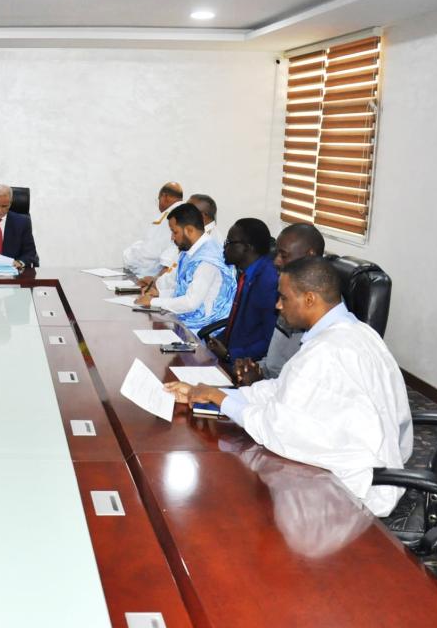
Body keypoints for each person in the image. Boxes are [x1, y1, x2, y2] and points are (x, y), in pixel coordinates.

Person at [164, 256, 413, 517]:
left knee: (244, 497)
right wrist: (212, 393)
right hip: (370, 461)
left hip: (352, 492)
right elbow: (281, 390)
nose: (278, 305)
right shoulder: (357, 332)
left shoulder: (327, 352)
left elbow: (278, 429)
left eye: (284, 297)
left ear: (309, 299)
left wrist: (219, 398)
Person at [234, 223, 325, 385]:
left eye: (283, 255)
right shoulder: (289, 298)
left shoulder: (318, 312)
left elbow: (296, 384)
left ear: (309, 255)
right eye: (276, 254)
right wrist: (253, 369)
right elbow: (273, 363)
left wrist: (260, 381)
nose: (276, 261)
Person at [135, 203, 236, 331]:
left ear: (189, 230)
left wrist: (152, 302)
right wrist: (160, 293)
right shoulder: (191, 251)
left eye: (175, 232)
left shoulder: (208, 259)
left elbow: (191, 302)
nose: (172, 238)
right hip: (188, 318)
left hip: (203, 327)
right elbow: (184, 290)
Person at [205, 218, 279, 364]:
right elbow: (239, 322)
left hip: (245, 364)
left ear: (247, 248)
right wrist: (217, 342)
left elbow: (270, 340)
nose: (224, 248)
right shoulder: (246, 273)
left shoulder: (268, 281)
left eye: (229, 242)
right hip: (230, 352)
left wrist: (229, 355)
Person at [123, 181, 184, 278]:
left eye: (158, 200)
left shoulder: (168, 217)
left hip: (154, 276)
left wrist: (128, 255)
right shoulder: (186, 212)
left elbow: (148, 253)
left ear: (165, 196)